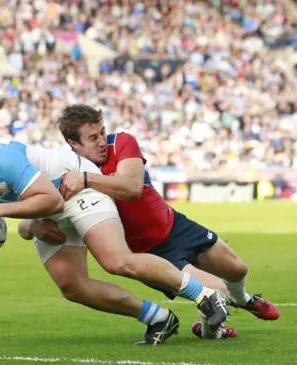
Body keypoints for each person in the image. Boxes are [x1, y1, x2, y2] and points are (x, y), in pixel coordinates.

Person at [0, 133, 229, 345]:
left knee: (115, 260)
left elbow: (53, 200)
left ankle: (203, 295)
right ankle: (158, 318)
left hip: (72, 185)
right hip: (40, 207)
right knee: (71, 286)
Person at [34, 104, 280, 339]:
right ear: (73, 143)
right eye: (92, 138)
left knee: (238, 269)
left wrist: (86, 180)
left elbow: (132, 187)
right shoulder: (64, 170)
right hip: (151, 254)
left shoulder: (120, 143)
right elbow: (38, 213)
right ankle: (209, 332)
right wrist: (35, 225)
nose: (101, 142)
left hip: (175, 225)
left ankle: (244, 299)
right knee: (218, 293)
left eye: (102, 132)